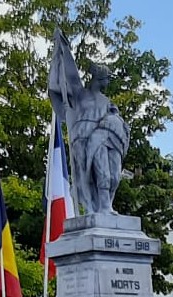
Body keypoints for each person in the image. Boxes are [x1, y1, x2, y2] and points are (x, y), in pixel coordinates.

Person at [48, 30, 130, 215]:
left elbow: (118, 122)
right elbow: (68, 74)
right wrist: (63, 51)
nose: (109, 81)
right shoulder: (80, 93)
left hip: (105, 135)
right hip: (83, 137)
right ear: (99, 78)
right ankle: (97, 209)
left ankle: (106, 206)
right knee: (96, 175)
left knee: (114, 176)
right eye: (108, 78)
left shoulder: (107, 102)